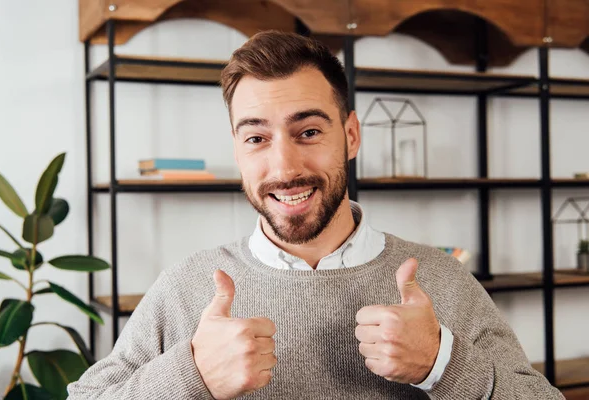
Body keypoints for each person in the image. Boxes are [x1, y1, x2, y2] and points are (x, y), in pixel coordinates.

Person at [67, 31, 564, 400]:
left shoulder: (441, 282)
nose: (284, 167)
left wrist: (444, 364)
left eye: (308, 132)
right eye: (257, 138)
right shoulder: (187, 288)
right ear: (238, 151)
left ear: (350, 136)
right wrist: (189, 374)